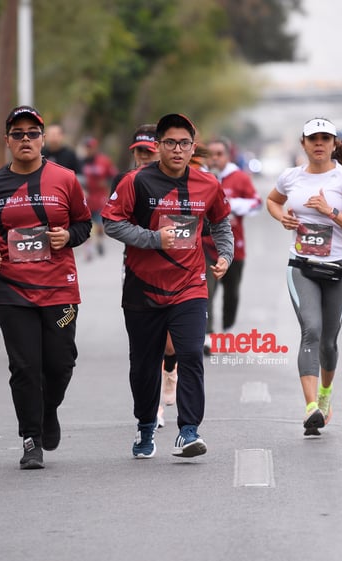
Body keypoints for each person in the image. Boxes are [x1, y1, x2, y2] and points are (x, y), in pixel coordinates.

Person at [0, 105, 92, 470]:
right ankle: (31, 439)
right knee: (24, 366)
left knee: (61, 362)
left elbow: (84, 225)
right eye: (18, 134)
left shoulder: (65, 179)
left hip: (60, 290)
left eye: (32, 133)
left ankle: (48, 409)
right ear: (7, 141)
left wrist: (67, 235)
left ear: (42, 140)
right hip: (12, 290)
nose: (26, 140)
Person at [102, 113, 233, 459]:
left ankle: (189, 431)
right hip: (143, 288)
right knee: (144, 366)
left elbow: (221, 223)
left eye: (184, 143)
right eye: (170, 143)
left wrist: (225, 255)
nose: (178, 149)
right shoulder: (136, 181)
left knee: (190, 353)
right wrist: (153, 239)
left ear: (193, 147)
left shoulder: (208, 184)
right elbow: (111, 222)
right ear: (158, 146)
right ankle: (146, 426)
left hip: (190, 284)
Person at [265, 118, 342, 436]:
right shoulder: (291, 177)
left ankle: (325, 394)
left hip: (340, 271)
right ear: (303, 144)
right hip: (303, 267)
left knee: (328, 341)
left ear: (335, 144)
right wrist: (282, 216)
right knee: (310, 330)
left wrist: (330, 212)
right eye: (313, 139)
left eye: (326, 138)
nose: (319, 143)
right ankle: (311, 406)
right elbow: (272, 200)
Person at [110, 125, 176, 429]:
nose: (142, 158)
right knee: (147, 344)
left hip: (180, 269)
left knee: (172, 344)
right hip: (138, 270)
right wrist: (150, 238)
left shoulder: (180, 180)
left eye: (148, 152)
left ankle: (170, 372)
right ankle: (155, 409)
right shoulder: (125, 182)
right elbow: (114, 223)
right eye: (138, 153)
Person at [202, 137, 262, 343]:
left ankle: (228, 329)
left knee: (232, 292)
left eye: (219, 154)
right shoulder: (200, 178)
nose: (215, 158)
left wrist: (231, 205)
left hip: (234, 246)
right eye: (211, 154)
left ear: (227, 156)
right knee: (205, 290)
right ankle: (207, 335)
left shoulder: (239, 178)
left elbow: (257, 203)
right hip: (205, 245)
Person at [81, 136, 118, 257]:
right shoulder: (81, 162)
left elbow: (114, 176)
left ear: (95, 148)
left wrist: (106, 183)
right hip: (86, 196)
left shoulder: (104, 161)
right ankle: (89, 248)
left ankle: (100, 241)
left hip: (100, 196)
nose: (89, 150)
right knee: (86, 223)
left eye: (91, 147)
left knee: (100, 223)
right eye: (87, 147)